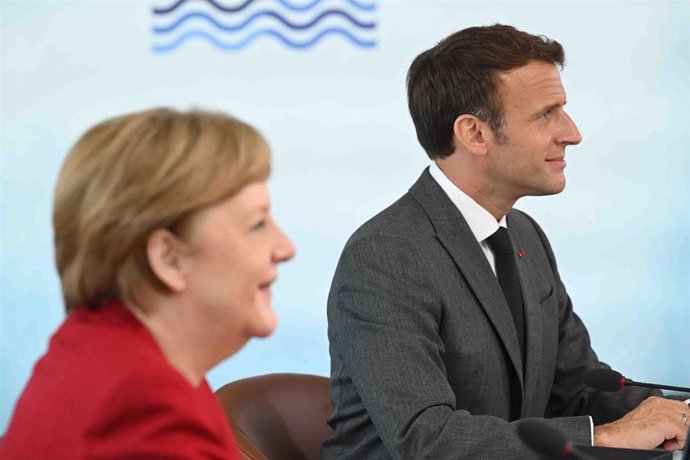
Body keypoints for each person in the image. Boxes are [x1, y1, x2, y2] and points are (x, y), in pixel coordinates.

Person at [321, 24, 690, 459]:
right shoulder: (385, 255)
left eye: (563, 110)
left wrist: (678, 413)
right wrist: (604, 438)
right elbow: (426, 440)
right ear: (474, 133)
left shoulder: (524, 235)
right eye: (545, 115)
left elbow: (577, 391)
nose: (572, 133)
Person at [0, 108, 295, 458]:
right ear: (168, 259)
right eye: (257, 224)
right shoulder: (144, 409)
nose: (285, 248)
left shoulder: (110, 357)